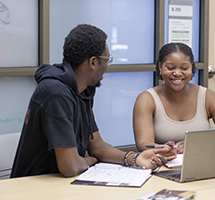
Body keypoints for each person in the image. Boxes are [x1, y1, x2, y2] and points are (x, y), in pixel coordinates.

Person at [11, 24, 169, 178]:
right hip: (33, 187)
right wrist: (91, 161)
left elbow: (97, 145)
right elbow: (70, 167)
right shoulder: (56, 94)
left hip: (62, 184)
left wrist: (133, 159)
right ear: (93, 62)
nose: (107, 66)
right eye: (107, 60)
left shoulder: (82, 90)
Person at [133, 42, 215, 155]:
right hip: (163, 166)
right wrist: (165, 150)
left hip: (203, 164)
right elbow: (143, 144)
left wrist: (196, 144)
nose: (177, 73)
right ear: (160, 68)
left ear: (192, 68)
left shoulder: (208, 97)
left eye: (184, 68)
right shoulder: (147, 99)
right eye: (170, 67)